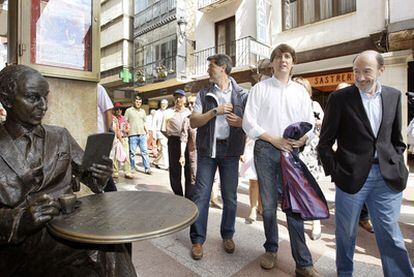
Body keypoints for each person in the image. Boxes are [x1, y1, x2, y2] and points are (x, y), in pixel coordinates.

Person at [0, 65, 136, 276]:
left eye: (45, 97)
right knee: (101, 248)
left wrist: (99, 174)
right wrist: (20, 220)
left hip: (67, 226)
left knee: (113, 240)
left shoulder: (59, 136)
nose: (43, 106)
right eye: (33, 98)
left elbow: (89, 177)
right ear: (7, 100)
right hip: (21, 245)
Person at [317, 50, 413, 276]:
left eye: (366, 71)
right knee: (346, 234)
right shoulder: (339, 98)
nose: (360, 77)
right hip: (350, 177)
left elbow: (396, 139)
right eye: (355, 72)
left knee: (390, 234)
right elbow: (324, 143)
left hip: (387, 178)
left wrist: (397, 162)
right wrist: (336, 172)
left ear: (381, 70)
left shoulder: (393, 95)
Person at [243, 44, 319, 276]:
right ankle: (271, 249)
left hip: (291, 152)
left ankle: (303, 263)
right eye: (278, 57)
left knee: (293, 207)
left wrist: (303, 139)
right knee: (268, 206)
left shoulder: (300, 91)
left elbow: (310, 123)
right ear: (272, 62)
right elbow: (249, 122)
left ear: (293, 62)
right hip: (266, 149)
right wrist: (273, 139)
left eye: (287, 57)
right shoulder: (260, 88)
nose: (282, 60)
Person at [189, 54, 247, 260]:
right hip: (207, 152)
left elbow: (251, 122)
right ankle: (197, 240)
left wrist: (240, 122)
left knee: (230, 197)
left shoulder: (242, 95)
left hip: (231, 152)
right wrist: (216, 111)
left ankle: (228, 235)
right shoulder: (204, 93)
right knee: (201, 196)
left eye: (211, 66)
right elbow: (194, 122)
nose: (208, 70)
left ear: (222, 68)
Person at [334, 82, 374, 234]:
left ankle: (364, 217)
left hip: (367, 161)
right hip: (345, 163)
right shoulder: (335, 109)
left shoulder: (364, 107)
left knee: (367, 194)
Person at [293, 77, 323, 241]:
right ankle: (299, 219)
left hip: (309, 151)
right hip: (291, 151)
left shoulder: (314, 106)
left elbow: (321, 124)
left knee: (312, 187)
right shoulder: (287, 104)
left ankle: (316, 221)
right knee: (296, 187)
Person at [163, 89, 192, 198]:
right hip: (174, 141)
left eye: (180, 97)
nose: (178, 99)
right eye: (176, 97)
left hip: (187, 141)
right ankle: (178, 194)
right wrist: (171, 137)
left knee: (189, 168)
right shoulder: (169, 112)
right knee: (175, 169)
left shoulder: (189, 112)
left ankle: (189, 195)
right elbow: (163, 129)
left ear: (185, 99)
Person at [97, 84, 117, 191]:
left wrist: (108, 132)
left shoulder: (98, 88)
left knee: (102, 167)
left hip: (100, 137)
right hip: (87, 136)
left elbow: (108, 110)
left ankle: (112, 192)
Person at [124, 94, 152, 175]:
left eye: (140, 102)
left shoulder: (143, 111)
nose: (138, 103)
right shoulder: (128, 111)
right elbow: (125, 122)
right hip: (132, 135)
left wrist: (147, 132)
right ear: (133, 102)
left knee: (145, 152)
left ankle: (147, 168)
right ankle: (132, 168)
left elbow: (144, 123)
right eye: (137, 102)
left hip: (142, 135)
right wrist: (125, 131)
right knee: (132, 153)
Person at [180, 94, 198, 199]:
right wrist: (182, 155)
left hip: (207, 155)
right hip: (193, 155)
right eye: (190, 103)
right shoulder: (187, 120)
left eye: (194, 103)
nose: (191, 105)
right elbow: (183, 139)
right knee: (194, 178)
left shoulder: (207, 117)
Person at [112, 102, 133, 179]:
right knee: (115, 157)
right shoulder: (112, 118)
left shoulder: (124, 118)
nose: (119, 110)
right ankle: (115, 172)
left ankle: (127, 172)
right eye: (117, 109)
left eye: (120, 109)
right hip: (115, 139)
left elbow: (128, 129)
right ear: (114, 110)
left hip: (124, 138)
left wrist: (123, 129)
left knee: (126, 155)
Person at [153, 99, 170, 170]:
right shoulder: (157, 112)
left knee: (163, 149)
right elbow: (153, 123)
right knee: (165, 147)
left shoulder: (168, 112)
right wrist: (154, 135)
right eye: (162, 103)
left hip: (167, 132)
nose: (164, 105)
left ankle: (156, 161)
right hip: (159, 132)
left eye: (165, 104)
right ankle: (167, 166)